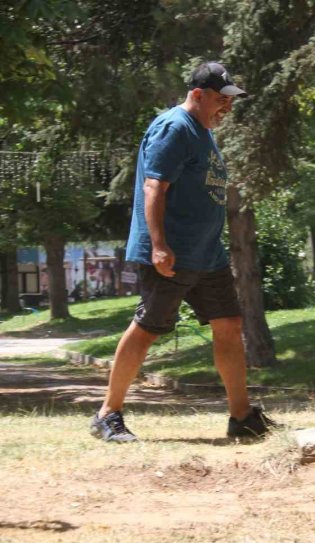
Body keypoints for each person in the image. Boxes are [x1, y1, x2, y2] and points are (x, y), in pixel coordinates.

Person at [91, 62, 276, 443]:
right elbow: (154, 187)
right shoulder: (175, 127)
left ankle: (241, 417)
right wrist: (158, 245)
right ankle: (107, 414)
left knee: (229, 325)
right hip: (173, 253)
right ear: (197, 95)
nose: (227, 107)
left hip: (207, 254)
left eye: (230, 101)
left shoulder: (203, 132)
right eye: (221, 100)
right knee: (148, 327)